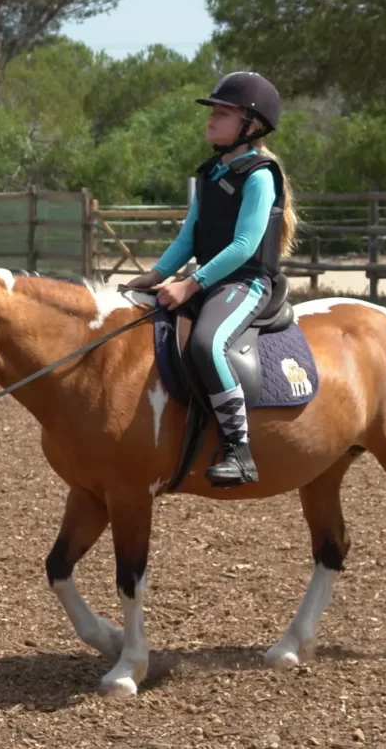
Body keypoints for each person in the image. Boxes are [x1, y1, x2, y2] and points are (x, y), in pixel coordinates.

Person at [126, 71, 298, 488]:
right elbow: (190, 236)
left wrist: (190, 284)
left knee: (206, 342)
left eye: (223, 113)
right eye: (213, 112)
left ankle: (238, 450)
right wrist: (156, 273)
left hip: (246, 283)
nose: (211, 119)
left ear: (250, 125)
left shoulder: (260, 175)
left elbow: (244, 245)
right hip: (210, 279)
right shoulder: (212, 172)